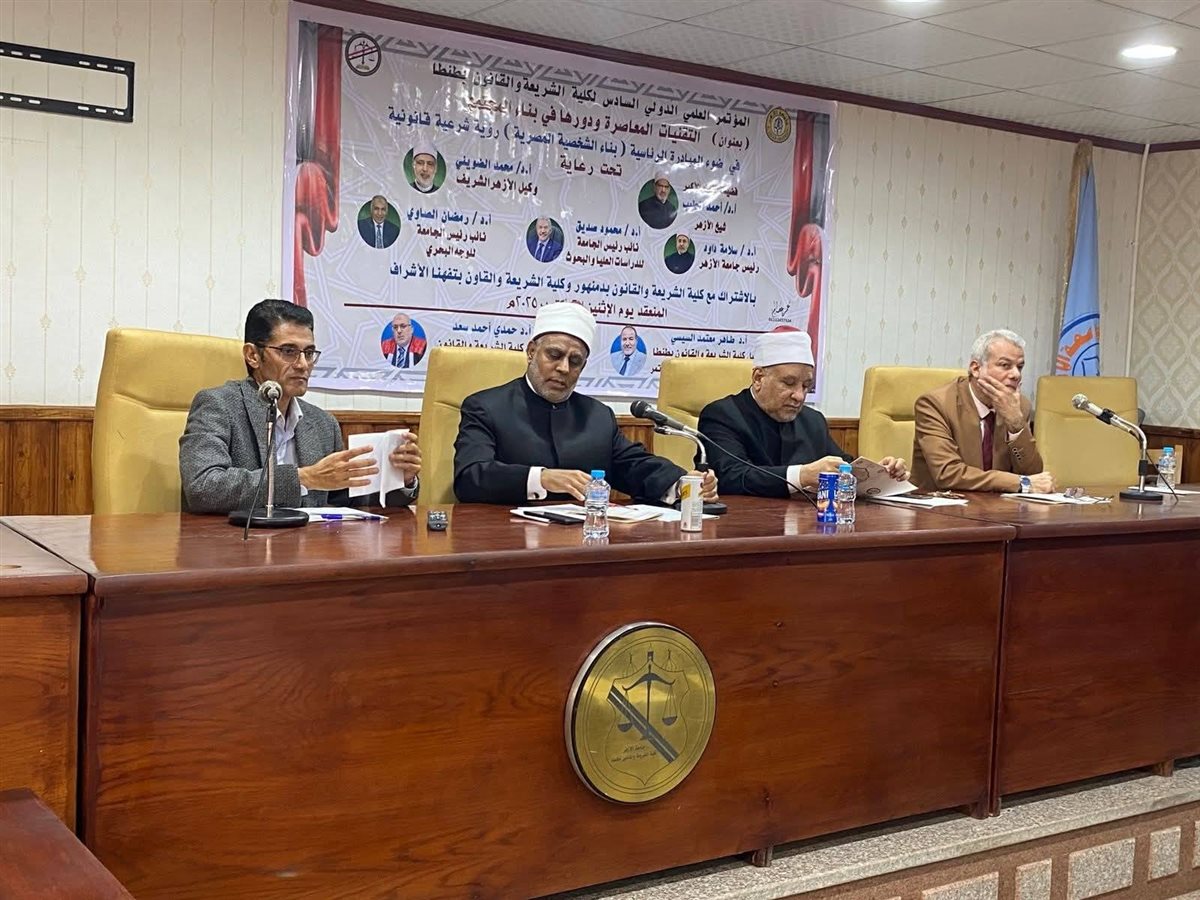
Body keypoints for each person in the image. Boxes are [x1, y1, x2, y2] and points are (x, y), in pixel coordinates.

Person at [454, 301, 719, 505]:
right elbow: (470, 476)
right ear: (532, 352)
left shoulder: (597, 416)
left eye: (575, 361)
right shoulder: (486, 407)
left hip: (586, 540)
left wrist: (682, 483)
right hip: (509, 542)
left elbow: (635, 465)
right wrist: (542, 478)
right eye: (554, 355)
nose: (563, 368)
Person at [180, 299, 421, 513]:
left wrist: (401, 479)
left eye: (309, 352)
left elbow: (345, 496)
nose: (303, 364)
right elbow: (203, 487)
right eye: (289, 351)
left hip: (308, 545)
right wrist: (303, 478)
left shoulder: (323, 423)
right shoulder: (219, 405)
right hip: (239, 544)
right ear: (253, 355)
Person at [698, 327, 908, 498]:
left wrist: (879, 474)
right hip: (744, 528)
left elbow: (844, 465)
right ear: (758, 378)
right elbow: (731, 476)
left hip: (806, 526)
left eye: (806, 386)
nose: (799, 396)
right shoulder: (722, 416)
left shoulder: (812, 420)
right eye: (789, 383)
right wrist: (802, 475)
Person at [911, 328, 1054, 493]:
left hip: (997, 506)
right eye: (1005, 365)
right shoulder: (935, 404)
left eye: (1019, 367)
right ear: (976, 368)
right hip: (942, 504)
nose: (1016, 374)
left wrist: (1016, 423)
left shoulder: (1020, 406)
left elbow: (1033, 474)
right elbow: (947, 473)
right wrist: (1019, 483)